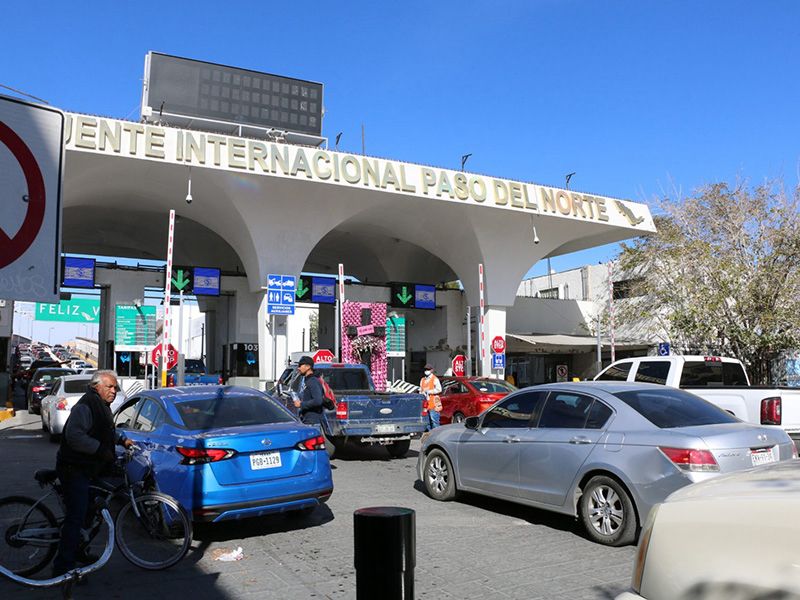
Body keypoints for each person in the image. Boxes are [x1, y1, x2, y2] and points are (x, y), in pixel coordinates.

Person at [53, 370, 134, 577]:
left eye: (115, 387)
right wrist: (100, 450)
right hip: (74, 468)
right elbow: (74, 436)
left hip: (88, 468)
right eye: (109, 387)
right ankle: (63, 568)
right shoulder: (86, 406)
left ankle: (79, 550)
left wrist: (121, 440)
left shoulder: (102, 406)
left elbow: (104, 431)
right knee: (76, 517)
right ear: (96, 387)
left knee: (92, 511)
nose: (113, 391)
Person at [293, 356, 325, 426]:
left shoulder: (313, 381)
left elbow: (318, 401)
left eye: (300, 365)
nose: (298, 368)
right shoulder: (307, 380)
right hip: (306, 420)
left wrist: (301, 404)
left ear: (308, 366)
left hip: (313, 422)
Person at [420, 364, 442, 430]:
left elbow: (439, 389)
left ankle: (437, 435)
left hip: (433, 405)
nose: (426, 371)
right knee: (427, 423)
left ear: (432, 370)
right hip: (425, 405)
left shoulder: (435, 379)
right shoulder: (423, 380)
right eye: (425, 369)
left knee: (435, 422)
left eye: (428, 369)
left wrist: (429, 391)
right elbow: (421, 390)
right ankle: (429, 435)